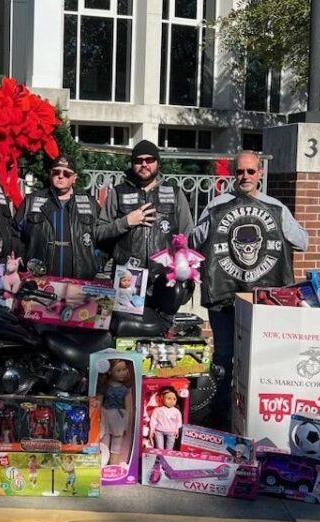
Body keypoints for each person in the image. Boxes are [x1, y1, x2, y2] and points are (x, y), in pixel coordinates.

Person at [190, 150, 309, 428]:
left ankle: (259, 416)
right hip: (224, 296)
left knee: (263, 356)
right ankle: (219, 415)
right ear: (234, 174)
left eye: (250, 172)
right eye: (240, 172)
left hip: (263, 302)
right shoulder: (217, 205)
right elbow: (195, 241)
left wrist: (281, 225)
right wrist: (211, 223)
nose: (245, 177)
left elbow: (303, 242)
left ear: (260, 173)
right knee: (222, 357)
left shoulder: (275, 207)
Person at [97, 140, 194, 313]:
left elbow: (188, 236)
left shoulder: (175, 193)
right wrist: (126, 221)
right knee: (125, 336)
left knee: (161, 334)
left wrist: (183, 272)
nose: (144, 164)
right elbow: (100, 232)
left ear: (157, 162)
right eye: (138, 160)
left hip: (165, 282)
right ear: (132, 164)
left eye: (149, 160)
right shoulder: (118, 193)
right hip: (128, 279)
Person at [15, 155, 107, 280]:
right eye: (56, 172)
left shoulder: (90, 204)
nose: (60, 176)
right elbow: (14, 233)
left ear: (74, 178)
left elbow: (104, 237)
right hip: (38, 281)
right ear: (50, 174)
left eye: (67, 174)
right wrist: (24, 259)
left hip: (78, 283)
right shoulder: (31, 201)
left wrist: (96, 262)